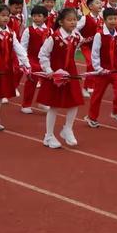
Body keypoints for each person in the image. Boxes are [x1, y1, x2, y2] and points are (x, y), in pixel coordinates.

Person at [38, 8, 84, 148]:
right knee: (54, 105)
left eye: (75, 20)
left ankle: (67, 128)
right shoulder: (53, 38)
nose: (73, 22)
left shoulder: (77, 37)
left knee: (75, 100)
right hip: (55, 73)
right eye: (69, 20)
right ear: (60, 22)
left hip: (70, 72)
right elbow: (43, 55)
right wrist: (49, 71)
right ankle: (49, 136)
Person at [85, 7, 117, 128]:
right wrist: (98, 68)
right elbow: (95, 53)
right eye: (110, 19)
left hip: (114, 69)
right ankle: (92, 117)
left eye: (115, 18)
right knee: (98, 94)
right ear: (105, 20)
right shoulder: (100, 35)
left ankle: (116, 111)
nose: (113, 21)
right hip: (102, 71)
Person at [20, 5, 51, 114]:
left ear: (45, 18)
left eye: (39, 16)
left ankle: (43, 101)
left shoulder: (49, 31)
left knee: (48, 81)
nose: (36, 18)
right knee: (31, 82)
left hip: (45, 60)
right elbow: (22, 46)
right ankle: (26, 104)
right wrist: (24, 61)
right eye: (34, 16)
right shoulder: (29, 30)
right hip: (32, 59)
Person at [77, 0, 103, 98]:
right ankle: (85, 87)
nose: (100, 5)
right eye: (97, 3)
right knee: (90, 64)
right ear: (90, 7)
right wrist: (81, 38)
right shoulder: (85, 18)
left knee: (97, 66)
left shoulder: (102, 19)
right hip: (86, 46)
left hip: (96, 47)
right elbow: (75, 28)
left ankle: (90, 85)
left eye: (100, 3)